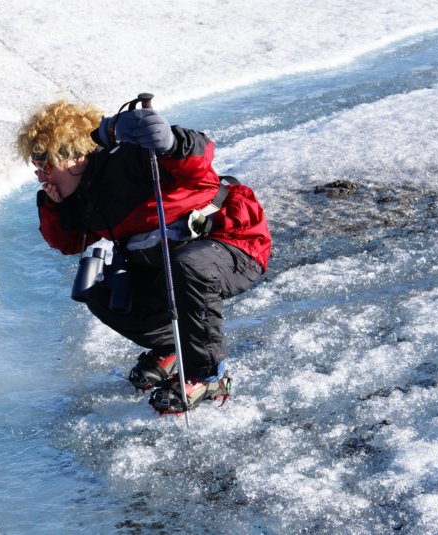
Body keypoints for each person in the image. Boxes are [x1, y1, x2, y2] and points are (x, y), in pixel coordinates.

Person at [15, 98, 271, 414]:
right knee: (97, 290)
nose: (41, 176)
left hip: (234, 244)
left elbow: (200, 161)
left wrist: (172, 141)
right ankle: (171, 347)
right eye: (37, 170)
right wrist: (57, 206)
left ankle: (208, 375)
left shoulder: (132, 158)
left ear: (78, 158)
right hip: (164, 266)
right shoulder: (83, 195)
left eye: (47, 167)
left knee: (188, 265)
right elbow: (68, 242)